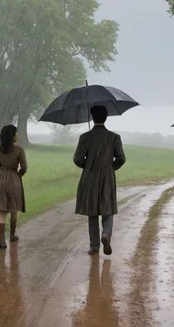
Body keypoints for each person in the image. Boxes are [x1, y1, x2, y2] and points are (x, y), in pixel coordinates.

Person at [73, 105, 126, 256]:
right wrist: (110, 167)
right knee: (107, 209)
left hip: (90, 177)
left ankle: (94, 246)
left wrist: (89, 166)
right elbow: (121, 158)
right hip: (108, 178)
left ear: (92, 118)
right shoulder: (114, 137)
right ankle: (106, 234)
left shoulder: (84, 137)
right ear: (106, 117)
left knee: (92, 212)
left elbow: (77, 159)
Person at [0, 124, 27, 249]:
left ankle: (2, 241)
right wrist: (19, 174)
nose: (18, 135)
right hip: (14, 178)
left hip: (0, 179)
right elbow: (24, 167)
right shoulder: (19, 150)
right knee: (13, 209)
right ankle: (12, 235)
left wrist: (2, 169)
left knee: (2, 211)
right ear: (12, 136)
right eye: (16, 133)